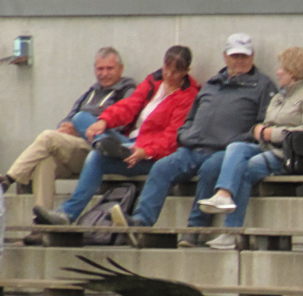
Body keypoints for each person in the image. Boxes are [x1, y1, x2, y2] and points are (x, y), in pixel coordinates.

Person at [111, 33, 277, 248]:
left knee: (210, 169)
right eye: (234, 56)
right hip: (193, 146)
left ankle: (194, 230)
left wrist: (237, 139)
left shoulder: (263, 85)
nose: (239, 61)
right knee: (162, 167)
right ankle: (141, 222)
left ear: (252, 57)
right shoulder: (213, 83)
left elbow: (264, 122)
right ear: (225, 56)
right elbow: (191, 115)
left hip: (225, 150)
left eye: (244, 56)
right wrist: (185, 134)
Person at [33, 46, 199, 227]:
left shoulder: (188, 96)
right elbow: (129, 106)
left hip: (147, 154)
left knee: (96, 156)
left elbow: (171, 137)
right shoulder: (154, 81)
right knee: (81, 118)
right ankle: (67, 213)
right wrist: (104, 121)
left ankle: (103, 147)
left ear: (186, 71)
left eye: (176, 72)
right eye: (167, 68)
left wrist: (145, 151)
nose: (169, 75)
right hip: (129, 142)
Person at [183, 46, 303, 250]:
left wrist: (272, 133)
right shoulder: (280, 95)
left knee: (246, 167)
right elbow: (264, 123)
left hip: (288, 153)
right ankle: (224, 194)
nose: (277, 72)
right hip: (265, 145)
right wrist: (260, 131)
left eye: (282, 69)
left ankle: (231, 231)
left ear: (294, 71)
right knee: (236, 148)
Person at [0, 47, 135, 209]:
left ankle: (9, 179)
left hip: (102, 149)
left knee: (50, 135)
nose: (104, 73)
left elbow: (123, 124)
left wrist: (81, 128)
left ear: (121, 69)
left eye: (109, 68)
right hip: (76, 148)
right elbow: (69, 117)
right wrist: (65, 127)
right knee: (45, 162)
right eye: (100, 68)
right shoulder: (91, 92)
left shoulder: (127, 90)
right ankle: (41, 224)